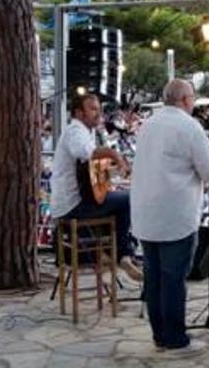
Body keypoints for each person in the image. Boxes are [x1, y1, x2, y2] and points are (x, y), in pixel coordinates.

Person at [130, 79, 209, 353]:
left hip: (146, 214)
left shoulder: (148, 124)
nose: (193, 103)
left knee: (154, 279)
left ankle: (159, 335)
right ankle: (175, 339)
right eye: (192, 98)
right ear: (184, 100)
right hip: (175, 216)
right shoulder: (189, 126)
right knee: (173, 280)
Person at [50, 94, 142, 281]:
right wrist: (115, 155)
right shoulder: (75, 131)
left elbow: (90, 171)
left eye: (99, 109)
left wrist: (109, 176)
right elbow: (86, 153)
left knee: (120, 202)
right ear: (78, 113)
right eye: (92, 109)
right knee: (129, 199)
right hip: (72, 206)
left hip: (80, 200)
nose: (98, 113)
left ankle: (112, 254)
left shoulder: (88, 131)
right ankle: (121, 255)